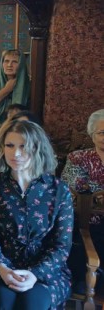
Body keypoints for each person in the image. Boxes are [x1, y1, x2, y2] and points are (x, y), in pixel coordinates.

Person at [0, 120, 73, 310]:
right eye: (10, 145)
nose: (16, 153)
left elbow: (62, 245)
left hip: (45, 270)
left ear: (38, 149)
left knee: (32, 304)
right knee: (1, 301)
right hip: (1, 266)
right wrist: (2, 267)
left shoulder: (58, 190)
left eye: (24, 146)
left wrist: (35, 274)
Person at [62, 109, 104, 291]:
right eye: (102, 133)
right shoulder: (78, 158)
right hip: (87, 223)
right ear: (92, 135)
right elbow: (75, 187)